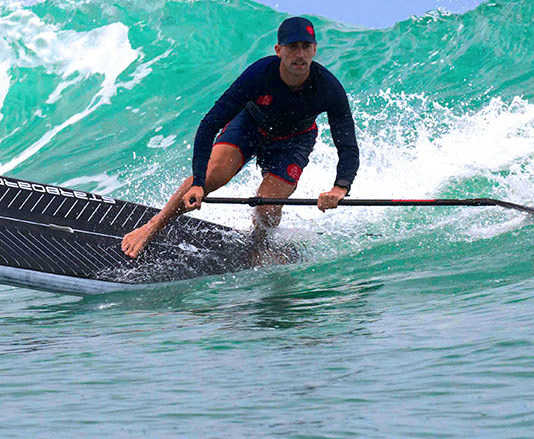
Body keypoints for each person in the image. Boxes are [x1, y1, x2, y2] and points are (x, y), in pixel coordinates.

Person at [121, 16, 360, 258]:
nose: (300, 54)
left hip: (294, 140)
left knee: (267, 206)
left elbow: (347, 145)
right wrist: (198, 183)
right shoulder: (259, 75)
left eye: (306, 46)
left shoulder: (329, 88)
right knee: (210, 176)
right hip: (250, 125)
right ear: (278, 50)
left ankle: (258, 246)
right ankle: (153, 226)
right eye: (292, 47)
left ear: (314, 50)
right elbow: (209, 125)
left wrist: (340, 187)